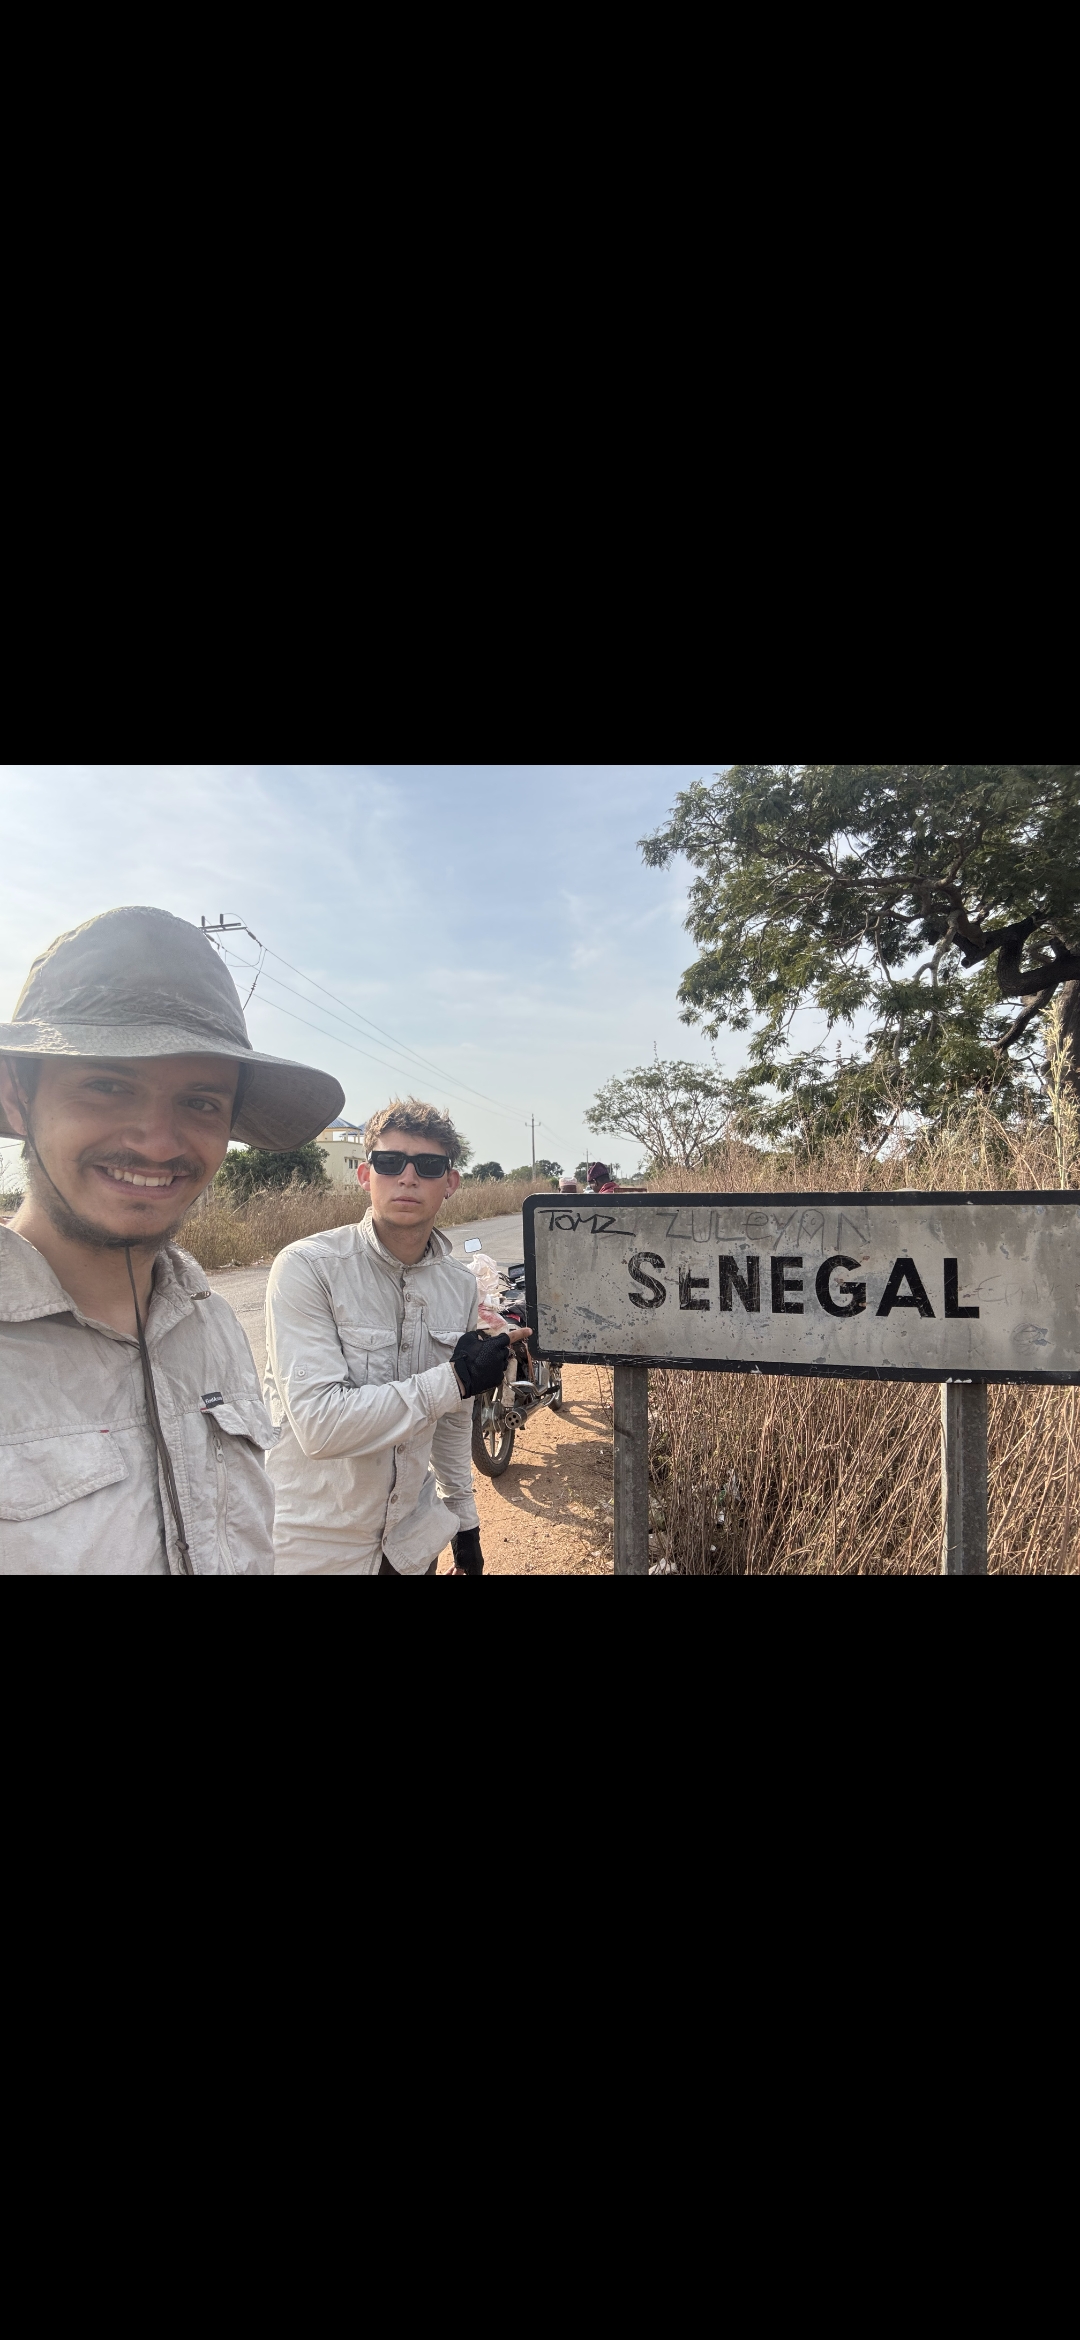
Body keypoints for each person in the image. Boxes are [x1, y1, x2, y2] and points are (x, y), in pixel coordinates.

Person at [0, 906, 344, 1574]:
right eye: (107, 1085)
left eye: (201, 1102)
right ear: (18, 1096)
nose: (158, 1143)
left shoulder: (212, 1324)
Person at [265, 1098, 526, 1575]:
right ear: (366, 1176)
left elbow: (451, 1424)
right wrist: (456, 1380)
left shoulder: (459, 1285)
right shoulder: (307, 1268)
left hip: (410, 1544)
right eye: (390, 1162)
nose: (408, 1177)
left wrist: (465, 1522)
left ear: (450, 1183)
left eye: (428, 1166)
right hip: (315, 1547)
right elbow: (320, 1427)